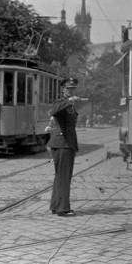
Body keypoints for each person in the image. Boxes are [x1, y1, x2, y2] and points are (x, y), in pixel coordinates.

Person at [47, 77, 80, 216]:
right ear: (63, 90)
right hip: (62, 144)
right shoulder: (61, 103)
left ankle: (56, 206)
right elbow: (53, 111)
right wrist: (69, 101)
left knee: (61, 176)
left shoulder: (70, 105)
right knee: (63, 176)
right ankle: (62, 208)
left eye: (73, 89)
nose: (71, 91)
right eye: (69, 89)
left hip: (67, 143)